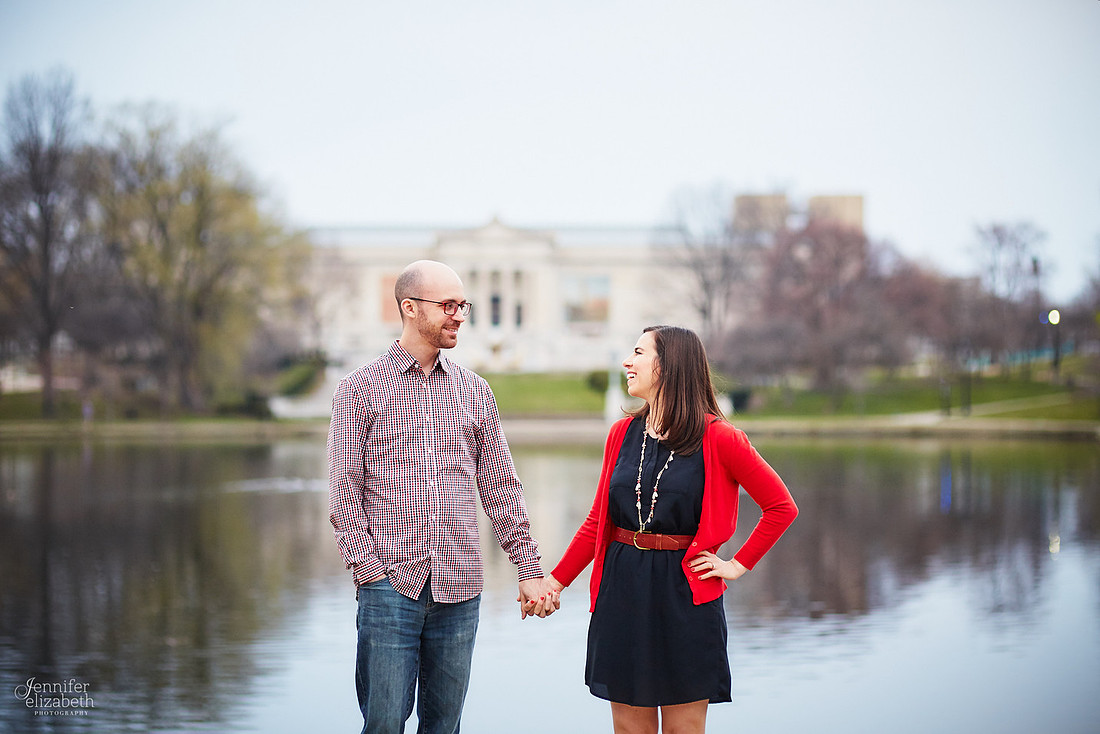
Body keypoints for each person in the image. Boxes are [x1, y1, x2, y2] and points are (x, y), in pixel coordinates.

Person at [327, 260, 559, 734]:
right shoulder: (359, 389)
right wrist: (370, 573)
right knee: (384, 724)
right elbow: (344, 492)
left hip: (461, 588)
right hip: (390, 587)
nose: (458, 316)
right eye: (448, 305)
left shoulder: (476, 391)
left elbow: (501, 488)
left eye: (462, 306)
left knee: (445, 727)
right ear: (410, 308)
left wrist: (529, 569)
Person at [547, 325, 798, 734]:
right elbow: (598, 522)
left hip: (685, 594)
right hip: (621, 590)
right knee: (630, 728)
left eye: (638, 353)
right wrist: (556, 582)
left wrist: (737, 565)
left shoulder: (720, 437)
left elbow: (781, 507)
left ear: (668, 366)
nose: (627, 362)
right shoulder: (621, 434)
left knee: (683, 727)